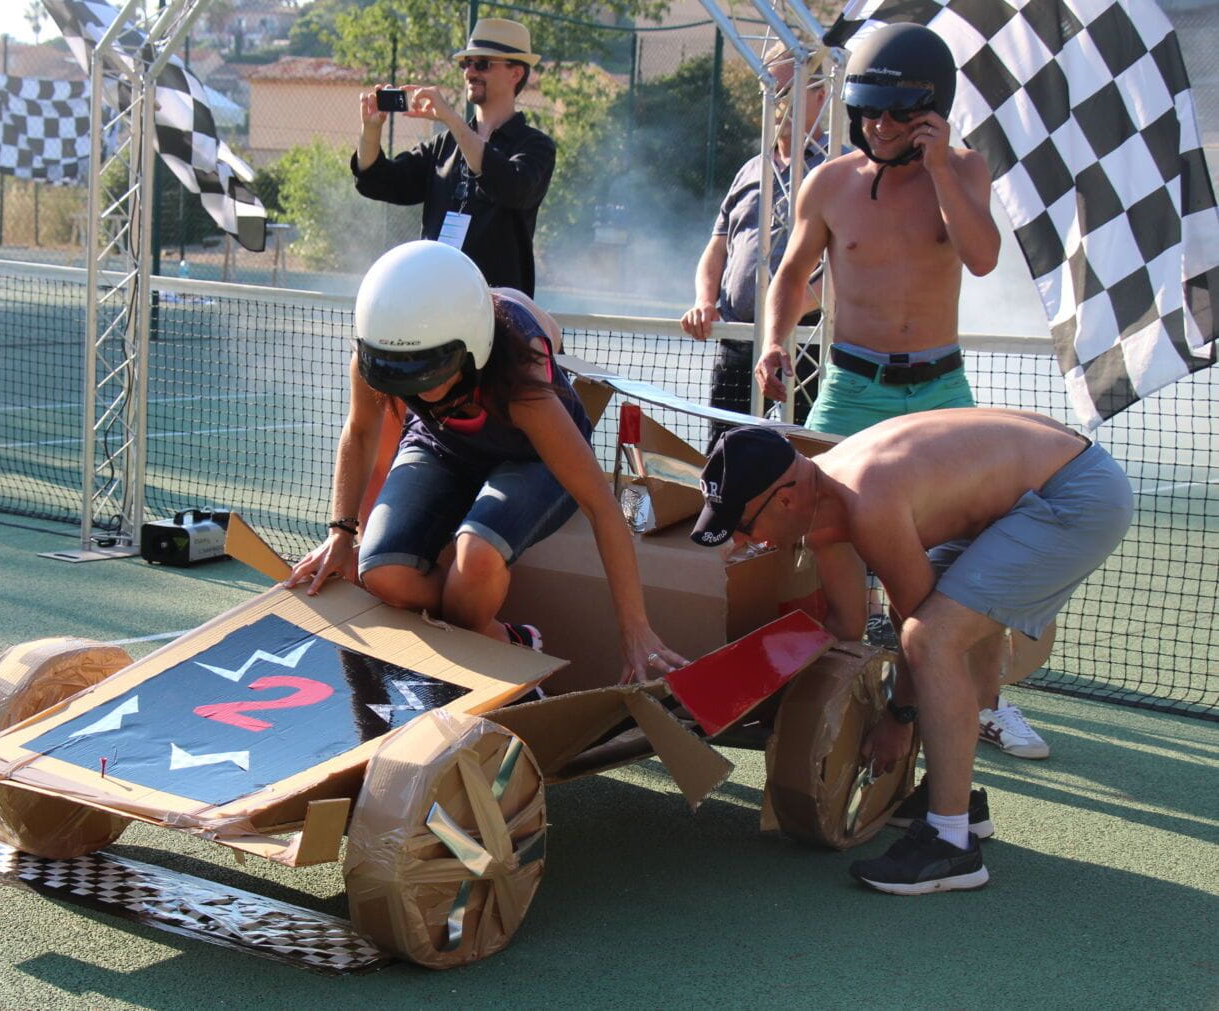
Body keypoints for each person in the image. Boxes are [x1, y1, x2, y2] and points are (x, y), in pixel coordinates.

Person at [752, 24, 1045, 756]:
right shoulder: (830, 183)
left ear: (929, 113)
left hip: (942, 392)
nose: (878, 126)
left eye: (895, 114)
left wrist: (941, 164)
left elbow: (980, 258)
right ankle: (848, 670)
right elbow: (790, 276)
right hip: (851, 388)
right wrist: (774, 340)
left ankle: (986, 699)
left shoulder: (965, 170)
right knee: (826, 533)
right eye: (869, 112)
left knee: (963, 554)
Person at [690, 412, 1132, 893]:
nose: (743, 542)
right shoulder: (819, 502)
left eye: (743, 526)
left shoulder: (866, 502)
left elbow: (916, 630)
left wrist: (897, 719)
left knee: (933, 638)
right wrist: (743, 679)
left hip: (1072, 495)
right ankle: (958, 802)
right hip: (1022, 486)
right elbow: (845, 626)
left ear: (786, 498)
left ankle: (951, 845)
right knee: (941, 630)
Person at [286, 240, 684, 683]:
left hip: (529, 456)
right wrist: (341, 534)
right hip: (442, 446)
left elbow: (600, 506)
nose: (416, 388)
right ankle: (506, 640)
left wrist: (637, 632)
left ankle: (479, 636)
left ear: (471, 345)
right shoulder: (377, 351)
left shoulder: (523, 380)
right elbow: (361, 431)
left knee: (474, 558)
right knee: (382, 573)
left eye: (429, 372)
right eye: (399, 372)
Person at [352, 18, 554, 296]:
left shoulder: (536, 146)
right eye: (466, 64)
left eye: (482, 63)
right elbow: (377, 180)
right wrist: (371, 129)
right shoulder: (443, 145)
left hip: (497, 310)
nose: (470, 72)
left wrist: (450, 118)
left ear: (515, 73)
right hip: (435, 300)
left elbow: (512, 188)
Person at [680, 53, 825, 419]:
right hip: (739, 340)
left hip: (808, 344)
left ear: (821, 96)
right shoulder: (750, 169)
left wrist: (786, 314)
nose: (779, 102)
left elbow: (851, 265)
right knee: (728, 456)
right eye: (771, 91)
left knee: (807, 459)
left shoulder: (838, 168)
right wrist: (704, 300)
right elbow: (717, 245)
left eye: (790, 91)